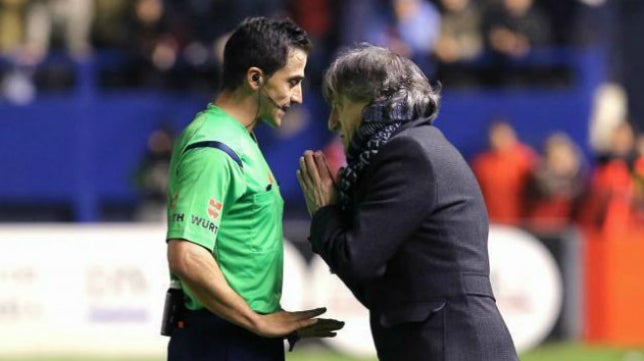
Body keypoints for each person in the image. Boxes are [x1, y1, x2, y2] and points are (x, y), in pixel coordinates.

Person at [297, 44, 519, 361]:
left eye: (339, 105)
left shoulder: (408, 155)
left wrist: (325, 213)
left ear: (373, 106)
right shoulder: (414, 146)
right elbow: (375, 285)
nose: (332, 122)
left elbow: (355, 259)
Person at [164, 17, 343, 361]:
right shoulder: (213, 148)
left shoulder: (238, 136)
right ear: (255, 78)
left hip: (235, 336)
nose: (299, 97)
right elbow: (188, 255)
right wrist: (256, 322)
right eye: (292, 82)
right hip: (223, 340)